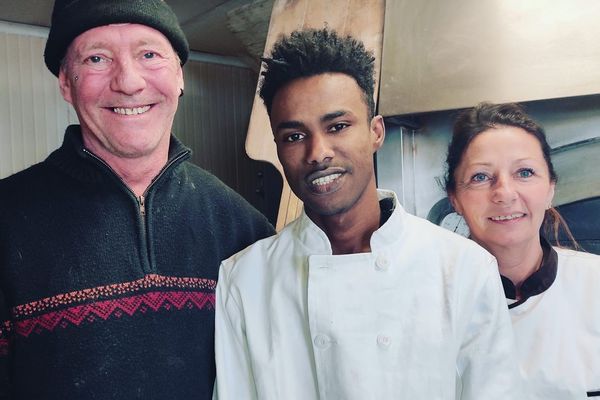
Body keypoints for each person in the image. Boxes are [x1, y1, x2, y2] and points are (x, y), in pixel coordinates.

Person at [214, 28, 523, 400]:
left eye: (338, 126)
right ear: (278, 148)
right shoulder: (245, 279)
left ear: (376, 132)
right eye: (295, 136)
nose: (318, 152)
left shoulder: (462, 269)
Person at [0, 0, 275, 398]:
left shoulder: (247, 232)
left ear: (179, 75)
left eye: (149, 54)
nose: (128, 82)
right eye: (97, 58)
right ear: (66, 83)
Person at [445, 102, 600, 398]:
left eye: (525, 172)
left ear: (551, 188)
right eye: (480, 177)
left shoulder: (596, 286)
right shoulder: (428, 299)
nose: (504, 193)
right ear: (455, 198)